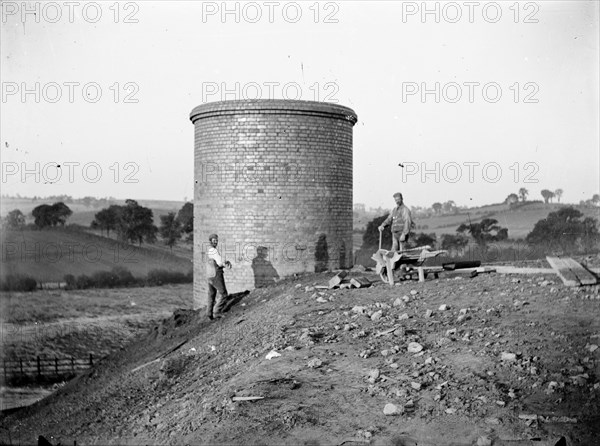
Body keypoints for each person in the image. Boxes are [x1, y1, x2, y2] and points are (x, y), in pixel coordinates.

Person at [206, 233, 232, 320]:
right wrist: (226, 263)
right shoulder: (214, 250)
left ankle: (209, 312)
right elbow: (219, 263)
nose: (216, 242)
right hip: (216, 275)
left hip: (209, 275)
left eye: (216, 240)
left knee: (211, 294)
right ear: (210, 241)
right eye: (214, 240)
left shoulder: (208, 250)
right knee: (224, 294)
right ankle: (216, 312)